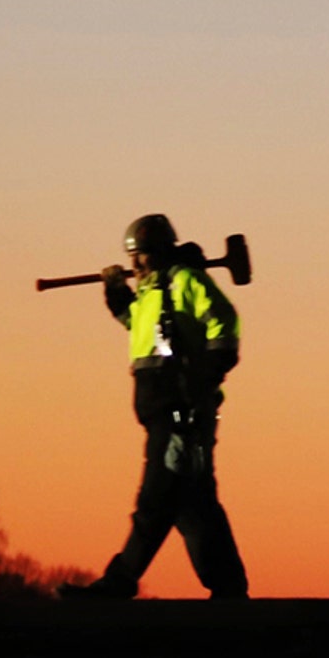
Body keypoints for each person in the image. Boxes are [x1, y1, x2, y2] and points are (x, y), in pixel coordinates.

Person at [61, 214, 249, 600]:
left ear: (160, 252)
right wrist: (116, 293)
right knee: (193, 506)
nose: (135, 265)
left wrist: (202, 378)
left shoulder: (186, 281)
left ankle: (119, 581)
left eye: (141, 256)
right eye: (132, 258)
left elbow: (225, 324)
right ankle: (230, 590)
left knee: (156, 500)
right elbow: (137, 325)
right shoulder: (152, 292)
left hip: (181, 415)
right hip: (165, 414)